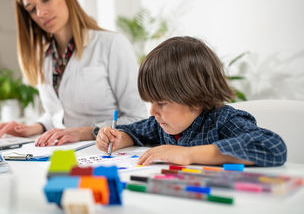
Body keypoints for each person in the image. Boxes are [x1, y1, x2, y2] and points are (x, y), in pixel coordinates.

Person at [0, 0, 147, 146]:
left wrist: (85, 132)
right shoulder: (45, 56)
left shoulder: (111, 44)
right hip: (61, 151)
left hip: (105, 152)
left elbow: (138, 117)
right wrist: (36, 127)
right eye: (31, 9)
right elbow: (58, 114)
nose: (40, 13)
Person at [96, 36, 287, 167]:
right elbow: (135, 131)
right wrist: (119, 138)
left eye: (161, 103)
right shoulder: (162, 124)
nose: (152, 111)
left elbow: (273, 146)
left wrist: (189, 154)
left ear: (194, 98)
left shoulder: (223, 120)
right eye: (150, 102)